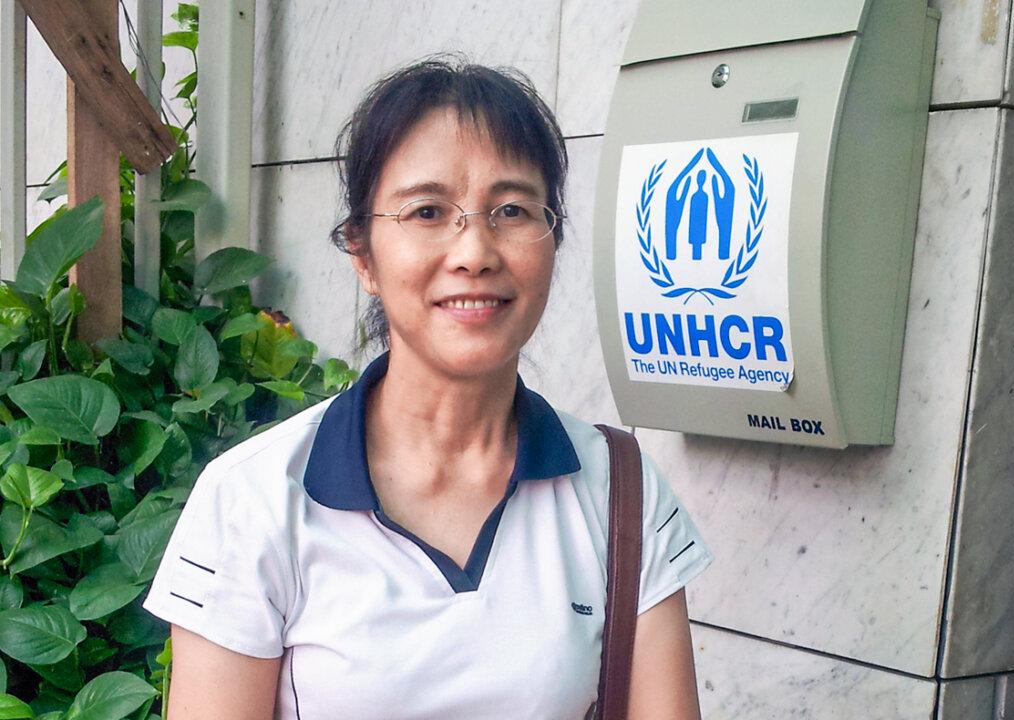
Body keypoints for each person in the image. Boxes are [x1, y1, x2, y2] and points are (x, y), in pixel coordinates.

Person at [144, 57, 712, 720]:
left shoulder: (621, 492)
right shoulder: (254, 499)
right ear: (362, 254)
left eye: (511, 208)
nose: (475, 251)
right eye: (427, 210)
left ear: (553, 240)